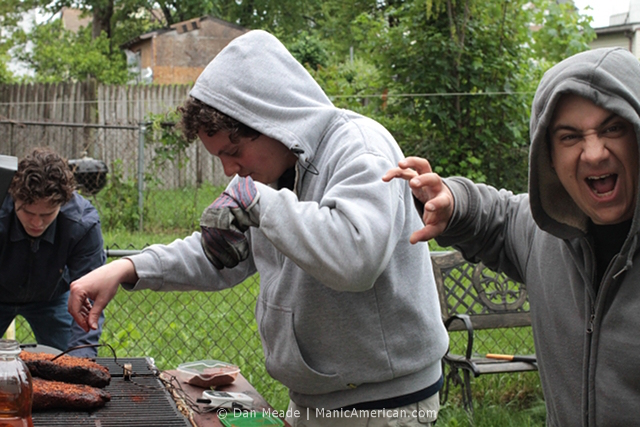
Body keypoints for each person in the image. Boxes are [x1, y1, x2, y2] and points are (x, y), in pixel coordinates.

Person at [67, 30, 448, 426]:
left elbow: (356, 257)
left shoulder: (359, 148)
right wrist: (128, 268)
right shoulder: (267, 180)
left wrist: (257, 201)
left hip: (384, 404)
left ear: (274, 121)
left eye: (233, 152)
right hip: (317, 398)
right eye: (219, 157)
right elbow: (220, 255)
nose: (229, 170)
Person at [383, 47, 640, 426]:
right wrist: (453, 203)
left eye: (612, 128)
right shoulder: (544, 234)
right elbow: (498, 216)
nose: (595, 153)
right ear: (548, 156)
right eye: (570, 137)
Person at [0, 147, 106, 358]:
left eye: (47, 214)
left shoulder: (82, 224)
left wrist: (81, 363)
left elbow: (90, 293)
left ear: (62, 203)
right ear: (14, 198)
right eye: (28, 212)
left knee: (75, 358)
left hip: (52, 297)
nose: (37, 223)